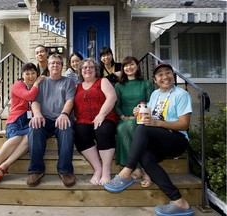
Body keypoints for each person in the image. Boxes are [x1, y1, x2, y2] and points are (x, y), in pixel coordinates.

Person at [104, 63, 194, 216]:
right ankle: (180, 202)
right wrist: (139, 111)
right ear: (155, 79)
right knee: (146, 157)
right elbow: (150, 116)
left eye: (168, 73)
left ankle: (127, 171)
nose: (165, 77)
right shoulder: (155, 94)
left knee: (143, 128)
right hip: (159, 138)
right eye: (160, 75)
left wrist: (156, 123)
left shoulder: (181, 94)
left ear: (173, 76)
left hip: (177, 139)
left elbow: (184, 124)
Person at [0, 63, 44, 183]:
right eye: (27, 73)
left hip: (29, 121)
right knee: (16, 139)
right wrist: (36, 83)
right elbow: (29, 97)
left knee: (28, 139)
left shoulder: (38, 87)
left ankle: (3, 167)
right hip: (16, 119)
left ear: (37, 74)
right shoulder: (18, 85)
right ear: (22, 75)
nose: (30, 76)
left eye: (33, 73)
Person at [27, 54, 77, 187]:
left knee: (67, 130)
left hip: (61, 117)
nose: (55, 65)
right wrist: (37, 114)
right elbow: (35, 101)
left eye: (58, 63)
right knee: (34, 128)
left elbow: (70, 100)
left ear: (62, 66)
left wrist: (64, 114)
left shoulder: (68, 82)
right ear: (48, 66)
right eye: (52, 63)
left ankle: (65, 170)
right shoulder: (42, 82)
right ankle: (36, 170)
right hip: (44, 118)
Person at [74, 58, 117, 185]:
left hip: (105, 117)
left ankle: (106, 171)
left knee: (103, 130)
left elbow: (112, 97)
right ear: (81, 71)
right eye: (85, 67)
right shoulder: (77, 87)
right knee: (79, 132)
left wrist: (101, 115)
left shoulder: (102, 81)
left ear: (96, 70)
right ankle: (98, 169)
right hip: (84, 120)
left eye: (91, 67)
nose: (88, 69)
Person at [114, 56, 153, 187]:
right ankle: (138, 167)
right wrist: (122, 116)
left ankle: (142, 169)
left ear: (137, 66)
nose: (128, 68)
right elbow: (117, 105)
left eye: (131, 65)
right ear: (123, 69)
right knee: (122, 128)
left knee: (131, 127)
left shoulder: (146, 83)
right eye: (125, 66)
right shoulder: (119, 86)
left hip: (142, 118)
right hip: (125, 119)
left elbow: (150, 102)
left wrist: (141, 111)